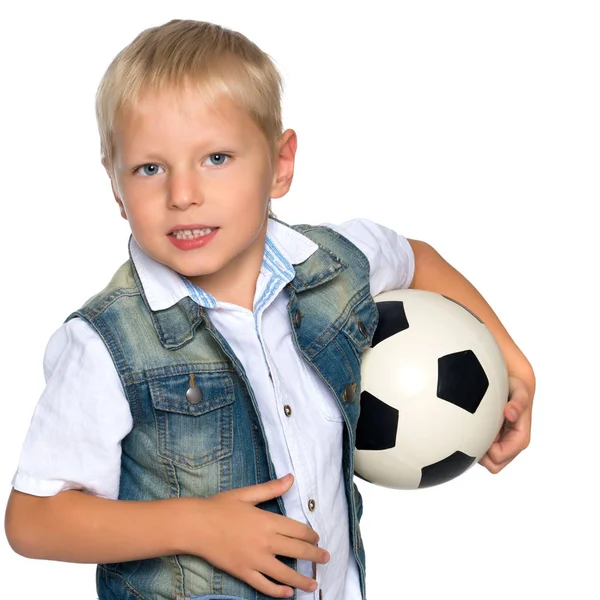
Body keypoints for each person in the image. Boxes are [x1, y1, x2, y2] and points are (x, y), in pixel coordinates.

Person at [4, 18, 535, 600]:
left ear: (280, 165)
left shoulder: (332, 263)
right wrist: (196, 525)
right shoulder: (109, 343)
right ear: (115, 187)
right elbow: (34, 520)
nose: (182, 194)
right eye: (150, 168)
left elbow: (416, 259)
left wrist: (514, 365)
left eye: (217, 158)